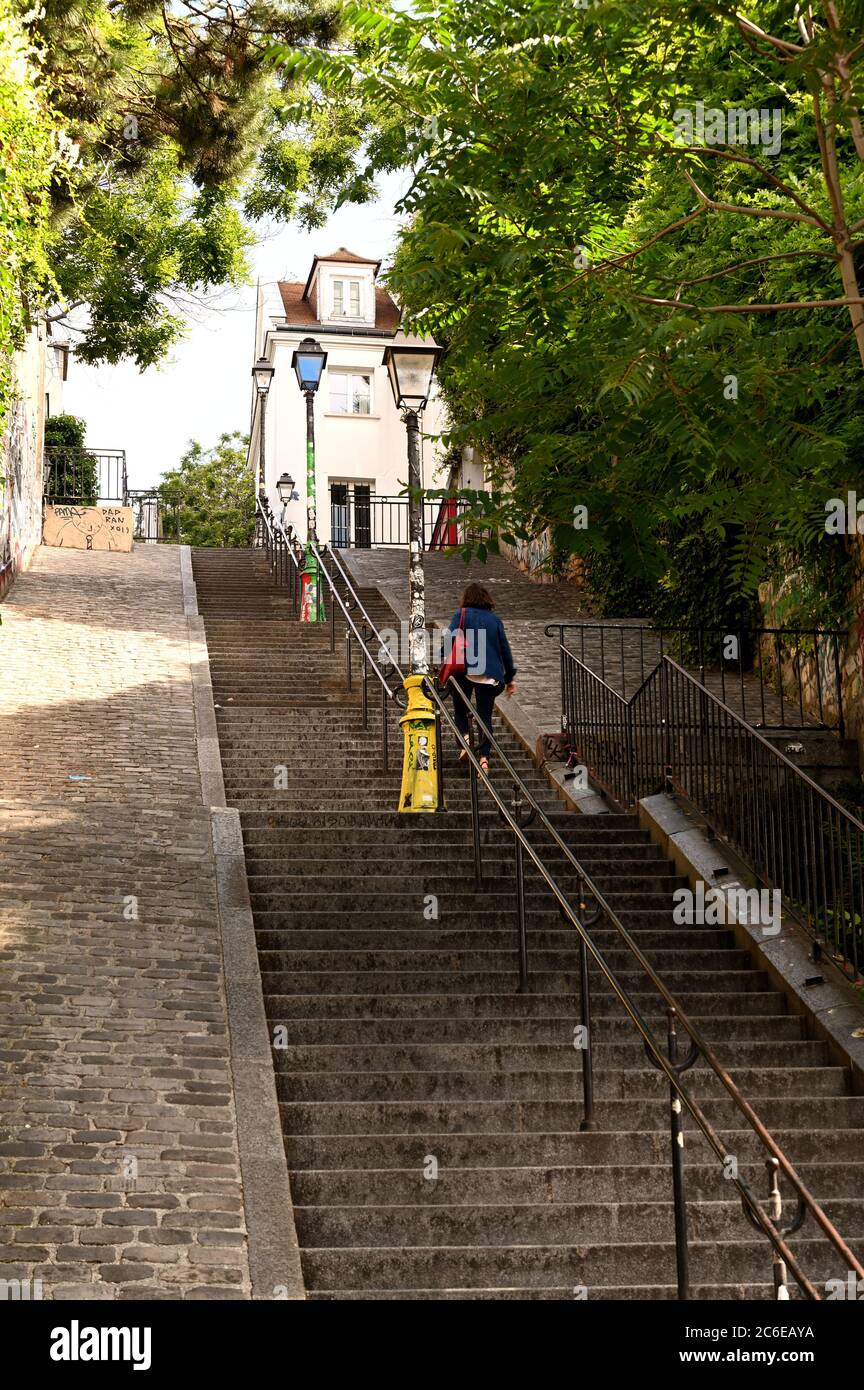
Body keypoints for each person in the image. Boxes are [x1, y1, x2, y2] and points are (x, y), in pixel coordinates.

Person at [446, 582, 517, 773]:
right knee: (484, 716)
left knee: (460, 708)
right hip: (491, 675)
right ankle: (484, 759)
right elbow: (505, 651)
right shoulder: (495, 621)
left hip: (465, 670)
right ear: (486, 599)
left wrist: (442, 662)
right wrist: (509, 678)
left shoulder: (461, 615)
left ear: (466, 598)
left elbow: (450, 639)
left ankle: (466, 741)